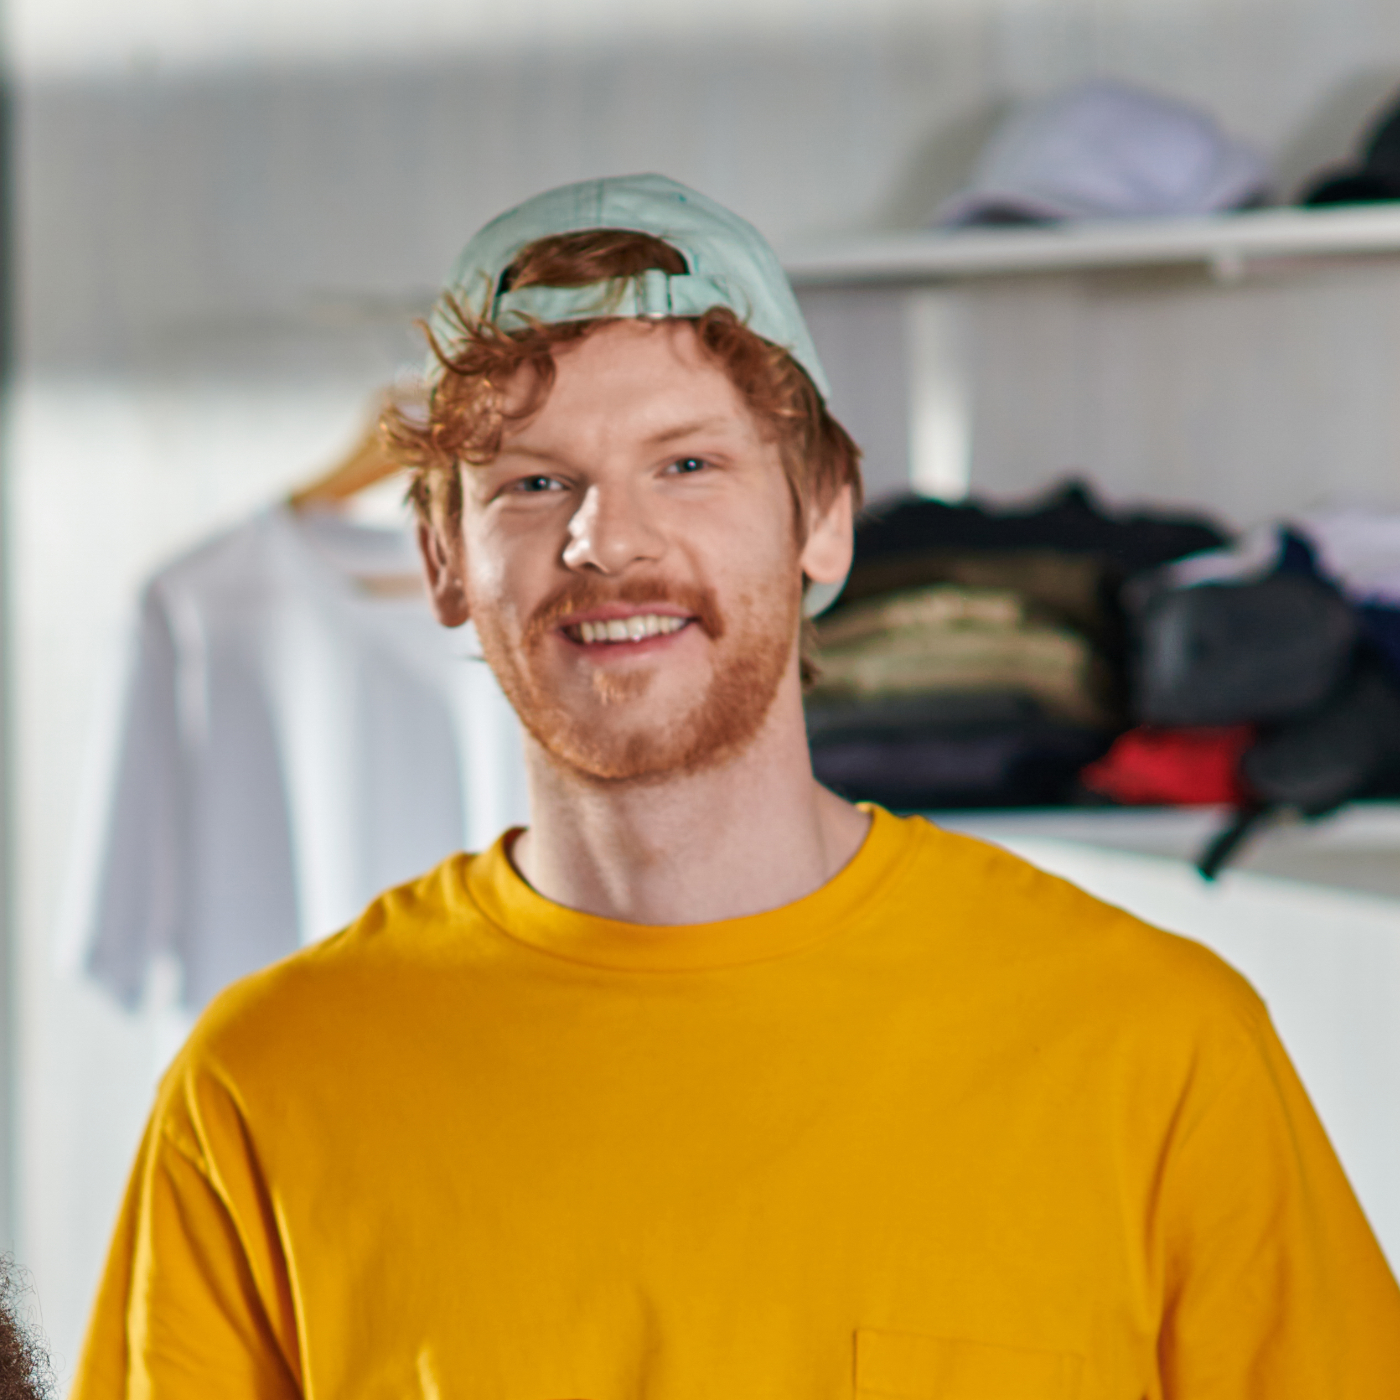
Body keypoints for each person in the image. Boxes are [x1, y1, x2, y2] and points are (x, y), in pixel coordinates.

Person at [74, 174, 1400, 1397]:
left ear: (822, 516)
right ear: (442, 560)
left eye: (688, 464)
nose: (608, 540)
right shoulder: (261, 1094)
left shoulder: (1155, 1053)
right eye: (534, 481)